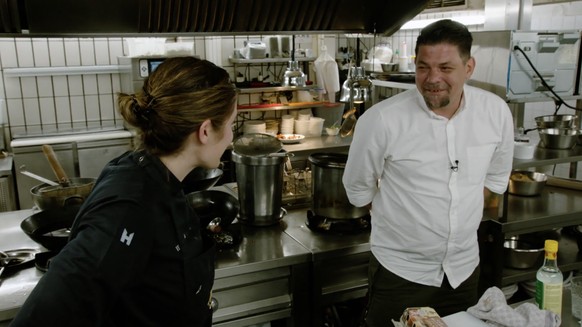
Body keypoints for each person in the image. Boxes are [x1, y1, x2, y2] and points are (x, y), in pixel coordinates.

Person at [10, 56, 238, 327]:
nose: (232, 137)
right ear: (205, 131)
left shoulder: (157, 175)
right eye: (231, 125)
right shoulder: (128, 207)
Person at [342, 19, 514, 325]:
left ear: (469, 67)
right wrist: (406, 218)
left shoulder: (496, 112)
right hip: (401, 275)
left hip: (463, 273)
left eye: (446, 68)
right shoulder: (382, 120)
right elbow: (359, 191)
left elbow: (493, 181)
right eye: (423, 67)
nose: (432, 78)